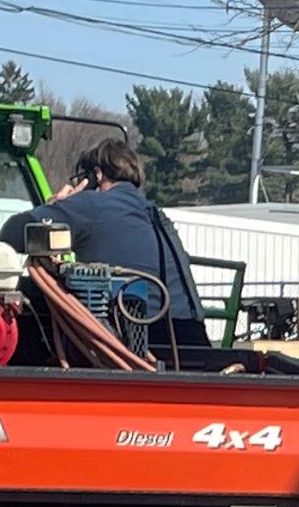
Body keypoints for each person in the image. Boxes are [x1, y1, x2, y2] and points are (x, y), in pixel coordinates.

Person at [42, 136, 213, 359]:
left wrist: (56, 208)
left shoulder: (90, 204)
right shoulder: (156, 214)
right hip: (193, 339)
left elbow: (12, 232)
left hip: (140, 340)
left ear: (95, 176)